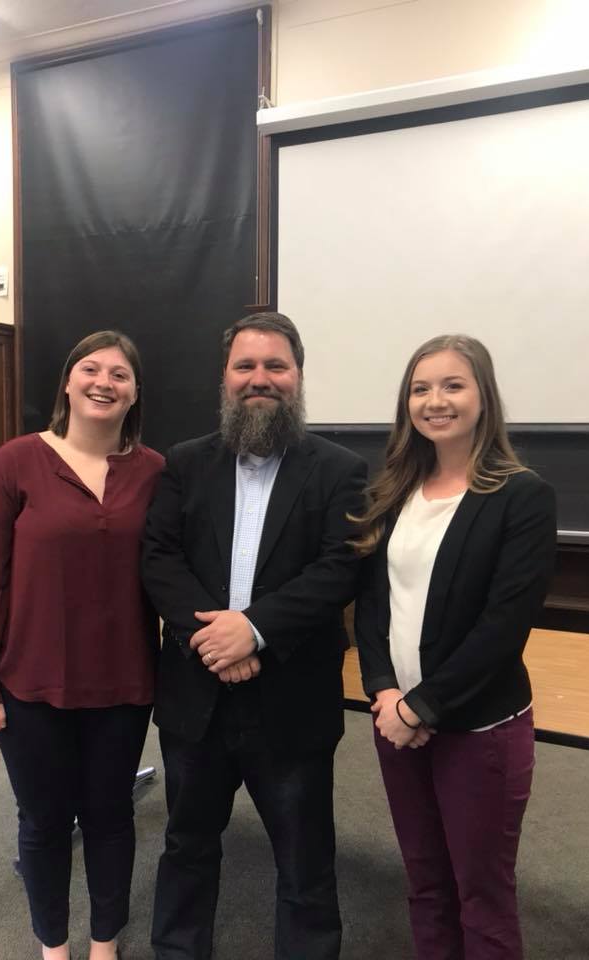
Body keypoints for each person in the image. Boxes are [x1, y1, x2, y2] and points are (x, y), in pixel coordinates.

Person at [141, 312, 366, 960]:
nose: (259, 379)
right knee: (186, 848)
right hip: (195, 699)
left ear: (297, 377)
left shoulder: (339, 469)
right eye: (246, 365)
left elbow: (339, 567)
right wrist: (214, 639)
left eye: (275, 366)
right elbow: (159, 556)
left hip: (291, 703)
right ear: (225, 377)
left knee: (305, 866)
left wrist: (255, 629)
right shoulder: (183, 464)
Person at [0, 330, 164, 960]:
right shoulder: (15, 462)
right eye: (91, 369)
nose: (104, 382)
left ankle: (104, 943)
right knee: (43, 823)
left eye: (120, 374)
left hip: (123, 684)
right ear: (68, 382)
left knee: (110, 818)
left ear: (135, 393)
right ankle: (54, 944)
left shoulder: (155, 472)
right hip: (30, 683)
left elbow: (172, 574)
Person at [352, 334, 556, 959]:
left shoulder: (521, 496)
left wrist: (420, 708)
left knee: (482, 895)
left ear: (482, 396)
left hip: (478, 729)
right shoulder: (393, 493)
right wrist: (386, 695)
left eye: (452, 385)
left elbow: (502, 628)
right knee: (425, 884)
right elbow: (372, 608)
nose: (434, 401)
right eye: (420, 388)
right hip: (396, 724)